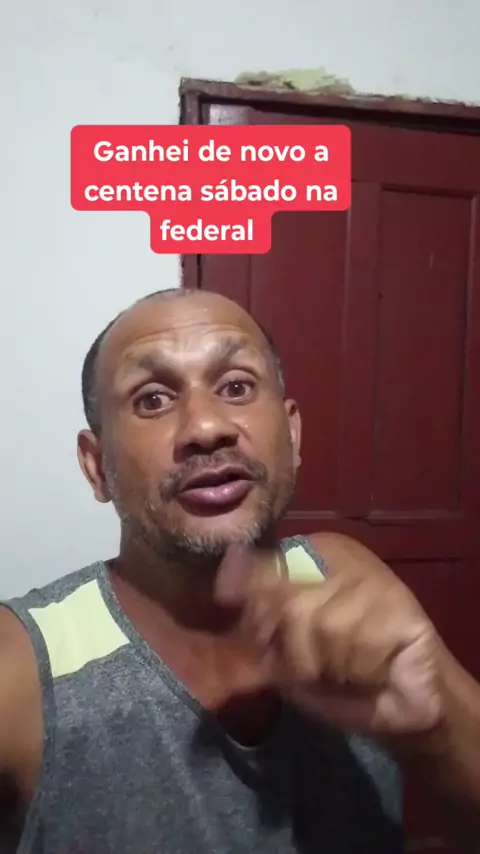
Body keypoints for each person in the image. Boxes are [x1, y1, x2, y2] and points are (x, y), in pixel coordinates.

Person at [0, 288, 479, 853]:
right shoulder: (21, 672)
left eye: (236, 387)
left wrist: (435, 730)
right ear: (96, 465)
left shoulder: (341, 573)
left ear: (292, 434)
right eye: (152, 400)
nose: (206, 427)